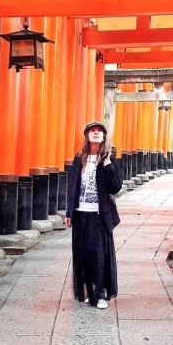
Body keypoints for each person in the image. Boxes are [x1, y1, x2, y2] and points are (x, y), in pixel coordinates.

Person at [65, 121, 123, 309]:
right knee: (83, 255)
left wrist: (109, 168)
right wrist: (69, 212)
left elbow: (115, 188)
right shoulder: (78, 158)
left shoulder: (108, 159)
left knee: (99, 255)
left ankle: (101, 294)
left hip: (99, 214)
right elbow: (72, 186)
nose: (96, 134)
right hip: (81, 214)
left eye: (99, 131)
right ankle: (89, 292)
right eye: (93, 131)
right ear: (87, 136)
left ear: (104, 137)